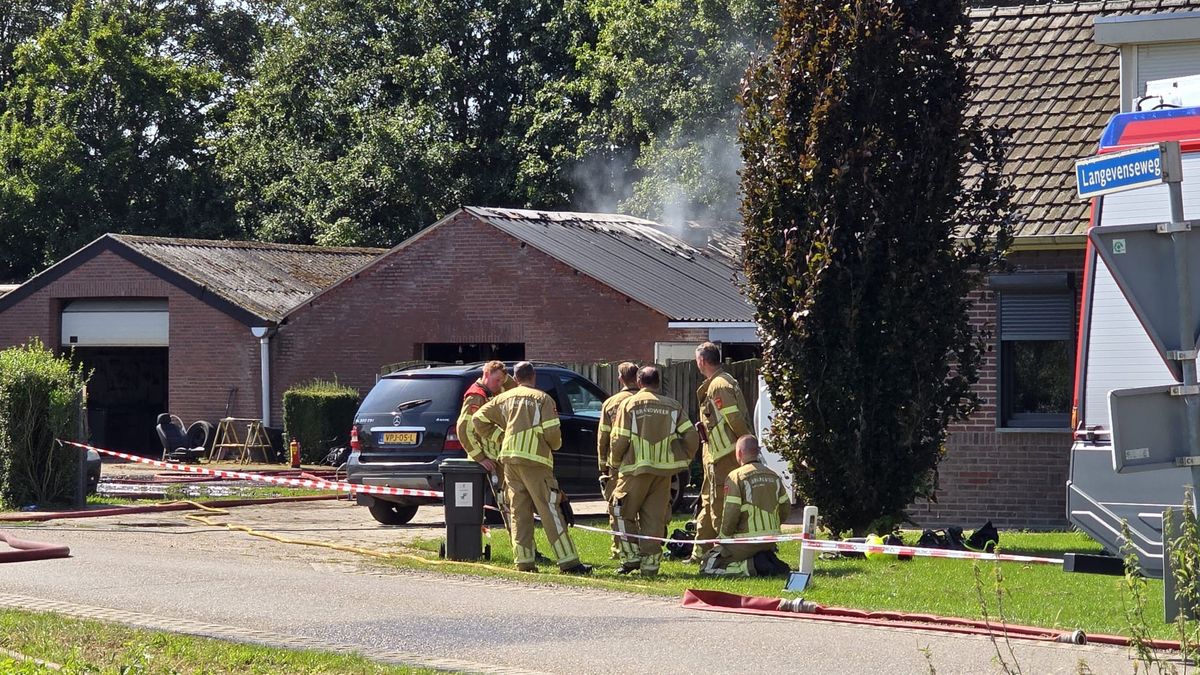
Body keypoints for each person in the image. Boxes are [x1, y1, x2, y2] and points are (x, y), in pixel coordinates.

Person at [473, 362, 591, 575]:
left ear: (515, 378)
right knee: (550, 510)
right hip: (536, 463)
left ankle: (524, 562)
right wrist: (553, 446)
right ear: (533, 377)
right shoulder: (543, 399)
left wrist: (501, 437)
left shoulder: (502, 398)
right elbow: (553, 435)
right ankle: (569, 562)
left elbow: (478, 419)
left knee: (519, 512)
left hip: (509, 461)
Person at [608, 366, 699, 576]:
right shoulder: (672, 406)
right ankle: (650, 567)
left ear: (639, 382)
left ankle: (631, 559)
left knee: (620, 512)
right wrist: (683, 459)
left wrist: (614, 463)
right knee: (654, 521)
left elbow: (619, 438)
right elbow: (692, 437)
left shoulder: (629, 404)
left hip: (634, 471)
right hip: (663, 475)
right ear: (658, 383)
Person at [691, 341, 752, 561]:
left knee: (719, 504)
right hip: (714, 455)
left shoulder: (719, 385)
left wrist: (746, 444)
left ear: (702, 360)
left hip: (725, 456)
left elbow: (733, 417)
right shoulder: (720, 382)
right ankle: (700, 552)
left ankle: (723, 553)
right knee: (707, 502)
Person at [699, 435, 791, 576]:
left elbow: (731, 512)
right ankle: (767, 560)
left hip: (746, 541)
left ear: (739, 453)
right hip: (771, 541)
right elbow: (785, 508)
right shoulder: (773, 475)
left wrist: (723, 538)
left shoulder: (736, 476)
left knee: (708, 565)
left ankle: (751, 566)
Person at [597, 362, 640, 558]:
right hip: (646, 461)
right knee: (646, 508)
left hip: (619, 463)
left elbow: (603, 437)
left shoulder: (611, 403)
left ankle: (619, 547)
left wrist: (603, 465)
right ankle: (645, 547)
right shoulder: (647, 400)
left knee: (617, 507)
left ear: (620, 379)